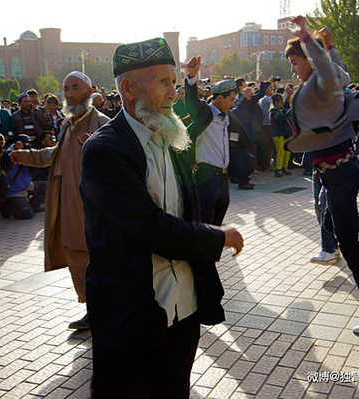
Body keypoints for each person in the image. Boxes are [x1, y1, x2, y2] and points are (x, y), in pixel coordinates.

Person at [80, 36, 244, 398]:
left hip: (183, 309)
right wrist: (219, 236)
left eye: (175, 81)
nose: (173, 93)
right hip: (131, 316)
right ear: (128, 87)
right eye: (164, 82)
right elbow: (150, 227)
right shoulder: (105, 151)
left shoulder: (171, 135)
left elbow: (185, 211)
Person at [285, 17, 359, 334]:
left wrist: (311, 42)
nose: (293, 70)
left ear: (309, 61)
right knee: (329, 222)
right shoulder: (330, 84)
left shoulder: (321, 83)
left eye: (296, 62)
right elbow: (338, 69)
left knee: (349, 244)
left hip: (338, 173)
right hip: (342, 169)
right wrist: (330, 45)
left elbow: (327, 69)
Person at [10, 71, 110, 329]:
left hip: (96, 209)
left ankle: (107, 311)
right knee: (76, 259)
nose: (68, 93)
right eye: (66, 88)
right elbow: (54, 155)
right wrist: (24, 156)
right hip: (68, 207)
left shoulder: (102, 123)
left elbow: (119, 162)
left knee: (101, 260)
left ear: (89, 92)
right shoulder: (67, 125)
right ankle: (93, 310)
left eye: (75, 87)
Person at [184, 57, 238, 226]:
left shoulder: (227, 117)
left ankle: (213, 252)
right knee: (204, 221)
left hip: (222, 177)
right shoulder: (205, 113)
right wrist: (192, 77)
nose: (233, 103)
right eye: (230, 99)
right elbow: (191, 101)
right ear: (219, 98)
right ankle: (200, 252)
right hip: (206, 176)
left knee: (218, 221)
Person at [0, 135, 46, 219]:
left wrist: (30, 155)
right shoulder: (8, 153)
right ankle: (8, 206)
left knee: (45, 186)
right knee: (28, 215)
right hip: (13, 190)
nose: (28, 145)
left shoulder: (26, 153)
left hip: (26, 184)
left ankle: (33, 206)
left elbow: (35, 172)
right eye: (26, 143)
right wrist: (17, 151)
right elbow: (5, 165)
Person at [269, 93, 294, 177]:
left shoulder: (281, 110)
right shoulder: (273, 112)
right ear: (276, 102)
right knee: (280, 152)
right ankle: (278, 169)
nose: (282, 103)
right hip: (278, 135)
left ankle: (284, 167)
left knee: (287, 152)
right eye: (280, 102)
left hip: (285, 134)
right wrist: (290, 111)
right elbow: (281, 117)